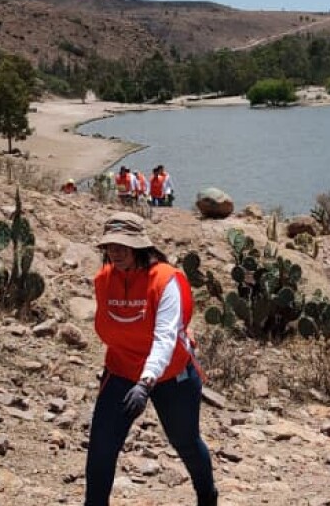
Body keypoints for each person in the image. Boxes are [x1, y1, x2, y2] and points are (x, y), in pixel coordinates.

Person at [86, 212, 217, 506]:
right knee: (102, 447)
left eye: (123, 245)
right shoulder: (104, 279)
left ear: (139, 246)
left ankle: (207, 497)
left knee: (185, 442)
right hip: (121, 371)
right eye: (110, 245)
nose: (115, 252)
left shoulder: (166, 280)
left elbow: (165, 338)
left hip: (171, 375)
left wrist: (145, 384)